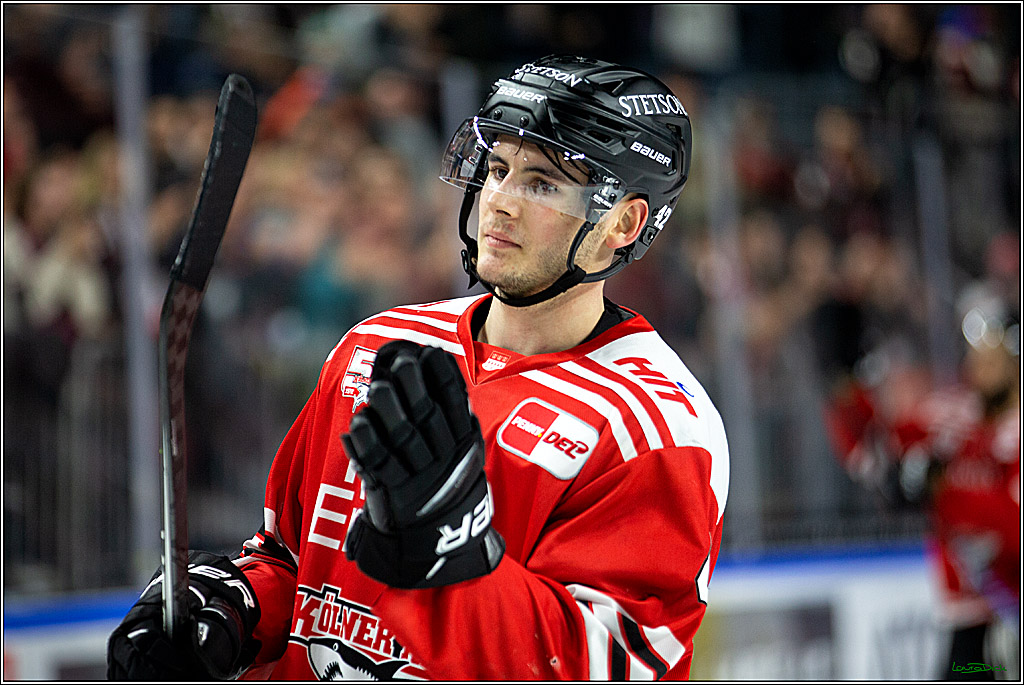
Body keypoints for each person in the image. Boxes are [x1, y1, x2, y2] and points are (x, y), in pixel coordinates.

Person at [108, 54, 730, 681]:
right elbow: (294, 559)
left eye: (543, 183)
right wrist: (232, 608)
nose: (500, 202)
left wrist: (454, 555)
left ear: (623, 222)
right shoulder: (376, 345)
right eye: (498, 169)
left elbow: (603, 666)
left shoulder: (656, 430)